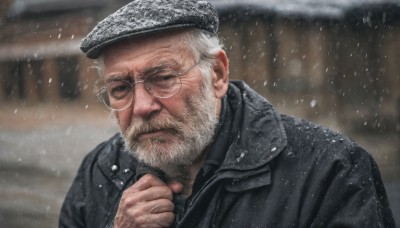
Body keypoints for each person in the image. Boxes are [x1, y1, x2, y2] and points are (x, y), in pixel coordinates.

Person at [59, 0, 396, 227]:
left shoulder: (331, 171)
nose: (142, 106)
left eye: (163, 79)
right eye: (121, 88)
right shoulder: (100, 172)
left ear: (217, 74)